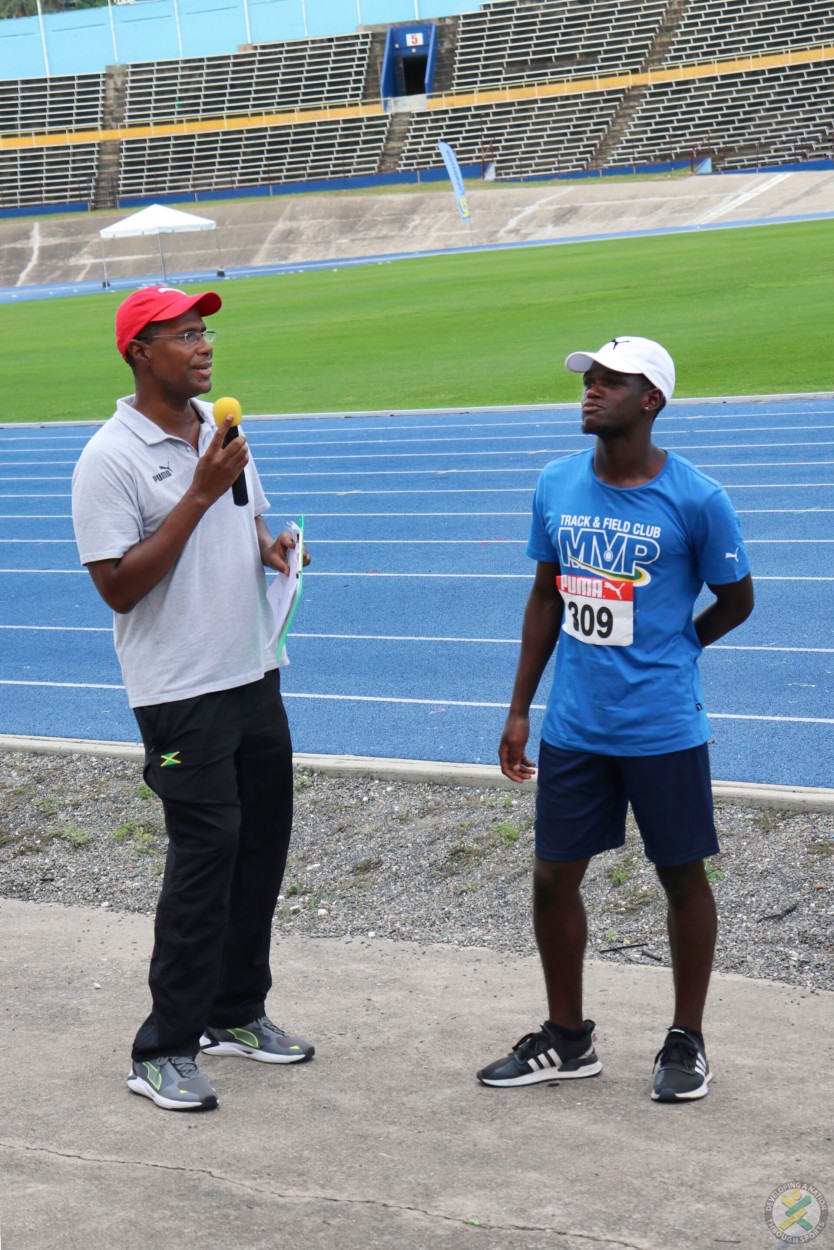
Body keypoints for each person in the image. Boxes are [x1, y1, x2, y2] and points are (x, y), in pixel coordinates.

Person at [477, 336, 754, 1102]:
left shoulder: (697, 498)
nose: (590, 390)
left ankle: (686, 1040)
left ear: (651, 400)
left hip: (662, 727)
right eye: (588, 379)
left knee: (681, 875)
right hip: (575, 727)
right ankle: (568, 1040)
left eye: (610, 381)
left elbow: (738, 601)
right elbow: (545, 598)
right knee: (551, 879)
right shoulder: (557, 483)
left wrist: (679, 647)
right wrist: (518, 709)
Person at [72, 285, 313, 1112]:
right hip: (180, 695)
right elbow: (119, 587)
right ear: (140, 351)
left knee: (261, 851)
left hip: (253, 672)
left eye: (205, 331)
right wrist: (201, 492)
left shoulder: (222, 429)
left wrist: (270, 548)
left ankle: (236, 1011)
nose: (203, 345)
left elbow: (242, 528)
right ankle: (162, 1049)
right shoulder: (108, 458)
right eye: (183, 334)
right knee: (203, 863)